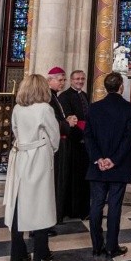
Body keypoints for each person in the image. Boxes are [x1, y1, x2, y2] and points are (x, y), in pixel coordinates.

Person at [2, 74, 60, 261]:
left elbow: (16, 132)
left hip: (20, 156)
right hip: (39, 157)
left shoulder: (18, 108)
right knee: (40, 203)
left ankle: (17, 253)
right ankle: (41, 251)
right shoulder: (45, 109)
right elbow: (54, 135)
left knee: (18, 203)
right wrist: (49, 149)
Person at [84, 72, 131, 259]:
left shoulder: (94, 108)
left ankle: (96, 246)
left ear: (106, 87)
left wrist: (99, 159)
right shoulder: (129, 108)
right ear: (121, 86)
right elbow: (127, 139)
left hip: (98, 166)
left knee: (96, 205)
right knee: (114, 206)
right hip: (118, 166)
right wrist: (113, 160)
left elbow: (88, 136)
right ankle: (111, 247)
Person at [57, 69, 92, 219]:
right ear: (71, 81)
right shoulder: (65, 96)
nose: (80, 81)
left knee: (83, 177)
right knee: (73, 177)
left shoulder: (84, 95)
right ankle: (72, 210)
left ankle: (82, 208)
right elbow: (69, 120)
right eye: (77, 79)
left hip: (84, 143)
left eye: (82, 79)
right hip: (73, 142)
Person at [47, 66, 78, 229]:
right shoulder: (48, 98)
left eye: (64, 80)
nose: (63, 83)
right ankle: (52, 217)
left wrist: (66, 120)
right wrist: (67, 123)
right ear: (49, 80)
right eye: (60, 80)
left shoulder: (55, 97)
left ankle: (57, 214)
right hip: (54, 147)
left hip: (61, 144)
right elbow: (50, 124)